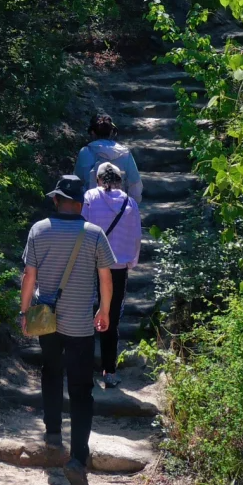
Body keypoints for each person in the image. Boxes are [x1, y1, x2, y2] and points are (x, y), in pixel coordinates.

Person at [21, 172, 118, 485]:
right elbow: (107, 279)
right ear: (80, 204)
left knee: (50, 371)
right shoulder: (94, 234)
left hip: (47, 321)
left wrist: (24, 313)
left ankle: (51, 434)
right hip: (80, 325)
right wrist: (103, 312)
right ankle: (77, 458)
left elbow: (29, 276)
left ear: (57, 200)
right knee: (81, 391)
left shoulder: (39, 230)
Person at [82, 161, 141, 386]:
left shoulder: (89, 197)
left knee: (85, 314)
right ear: (119, 181)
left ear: (98, 180)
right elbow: (136, 236)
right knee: (111, 319)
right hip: (116, 269)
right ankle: (110, 371)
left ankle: (83, 367)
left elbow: (83, 229)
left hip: (90, 266)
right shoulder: (130, 203)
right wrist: (131, 262)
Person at [75, 112, 143, 202]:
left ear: (92, 133)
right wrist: (131, 206)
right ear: (111, 132)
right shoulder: (125, 153)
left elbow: (77, 183)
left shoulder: (85, 152)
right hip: (120, 208)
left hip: (92, 209)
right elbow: (135, 184)